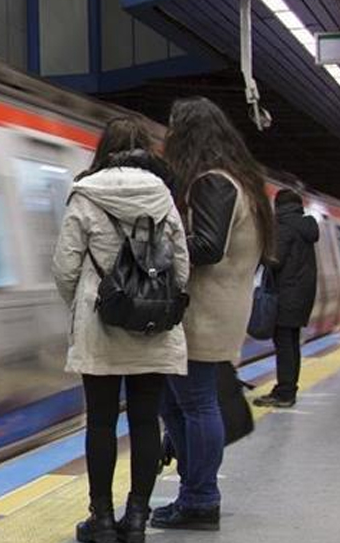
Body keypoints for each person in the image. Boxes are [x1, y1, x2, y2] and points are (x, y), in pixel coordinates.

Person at [53, 116, 190, 543]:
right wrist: (155, 300)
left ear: (104, 150)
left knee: (101, 422)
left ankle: (103, 521)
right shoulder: (163, 198)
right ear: (146, 151)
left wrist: (85, 304)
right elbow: (183, 269)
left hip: (100, 326)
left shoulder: (85, 195)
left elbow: (65, 268)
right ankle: (136, 520)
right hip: (152, 326)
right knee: (146, 421)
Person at [153, 97, 275, 532]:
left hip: (204, 312)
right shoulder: (241, 181)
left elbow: (206, 246)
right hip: (220, 307)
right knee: (178, 402)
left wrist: (160, 246)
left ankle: (201, 498)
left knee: (195, 403)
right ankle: (194, 492)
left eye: (173, 130)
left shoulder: (213, 183)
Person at [254, 188, 319, 408]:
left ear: (278, 205)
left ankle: (285, 393)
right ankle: (288, 389)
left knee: (284, 344)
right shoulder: (305, 226)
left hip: (286, 295)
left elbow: (274, 260)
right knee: (291, 343)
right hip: (301, 296)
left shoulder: (284, 226)